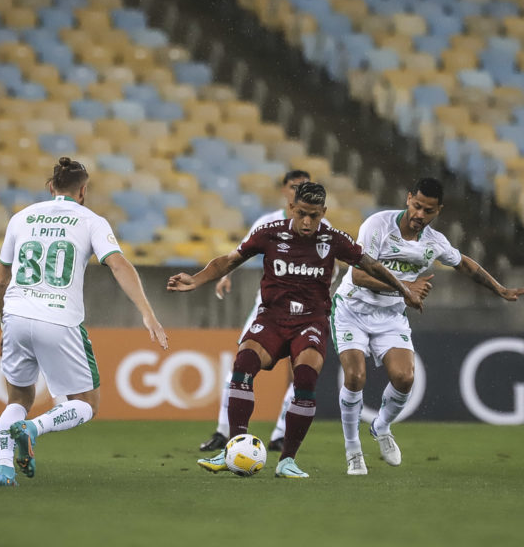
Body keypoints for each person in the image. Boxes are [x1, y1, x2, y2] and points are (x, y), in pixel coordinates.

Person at [167, 182, 422, 478]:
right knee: (243, 364)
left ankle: (287, 460)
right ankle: (232, 448)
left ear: (323, 212)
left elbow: (371, 265)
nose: (307, 222)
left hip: (310, 323)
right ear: (292, 208)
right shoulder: (270, 233)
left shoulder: (333, 238)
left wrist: (403, 289)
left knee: (304, 380)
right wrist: (196, 280)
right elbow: (230, 259)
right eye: (301, 213)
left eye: (314, 215)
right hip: (272, 318)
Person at [332, 178, 524, 475]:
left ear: (438, 210)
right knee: (355, 376)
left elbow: (465, 263)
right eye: (416, 206)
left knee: (404, 378)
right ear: (407, 199)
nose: (420, 214)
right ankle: (353, 450)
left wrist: (500, 289)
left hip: (390, 317)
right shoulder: (377, 225)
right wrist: (406, 288)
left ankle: (381, 427)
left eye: (428, 210)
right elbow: (359, 276)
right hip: (352, 309)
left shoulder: (434, 243)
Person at [0, 157, 169, 486]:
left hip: (15, 314)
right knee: (87, 404)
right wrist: (147, 312)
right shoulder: (91, 221)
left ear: (50, 186)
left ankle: (3, 469)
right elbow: (118, 265)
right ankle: (33, 428)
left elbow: (2, 280)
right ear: (83, 191)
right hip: (58, 319)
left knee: (18, 399)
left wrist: (5, 321)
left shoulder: (21, 218)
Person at [199, 170, 314, 453]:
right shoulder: (268, 222)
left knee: (301, 372)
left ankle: (280, 435)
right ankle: (224, 432)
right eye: (294, 187)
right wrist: (227, 276)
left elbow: (334, 263)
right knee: (241, 364)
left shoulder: (321, 226)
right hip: (268, 308)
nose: (299, 191)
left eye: (305, 186)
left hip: (306, 313)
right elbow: (241, 252)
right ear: (285, 192)